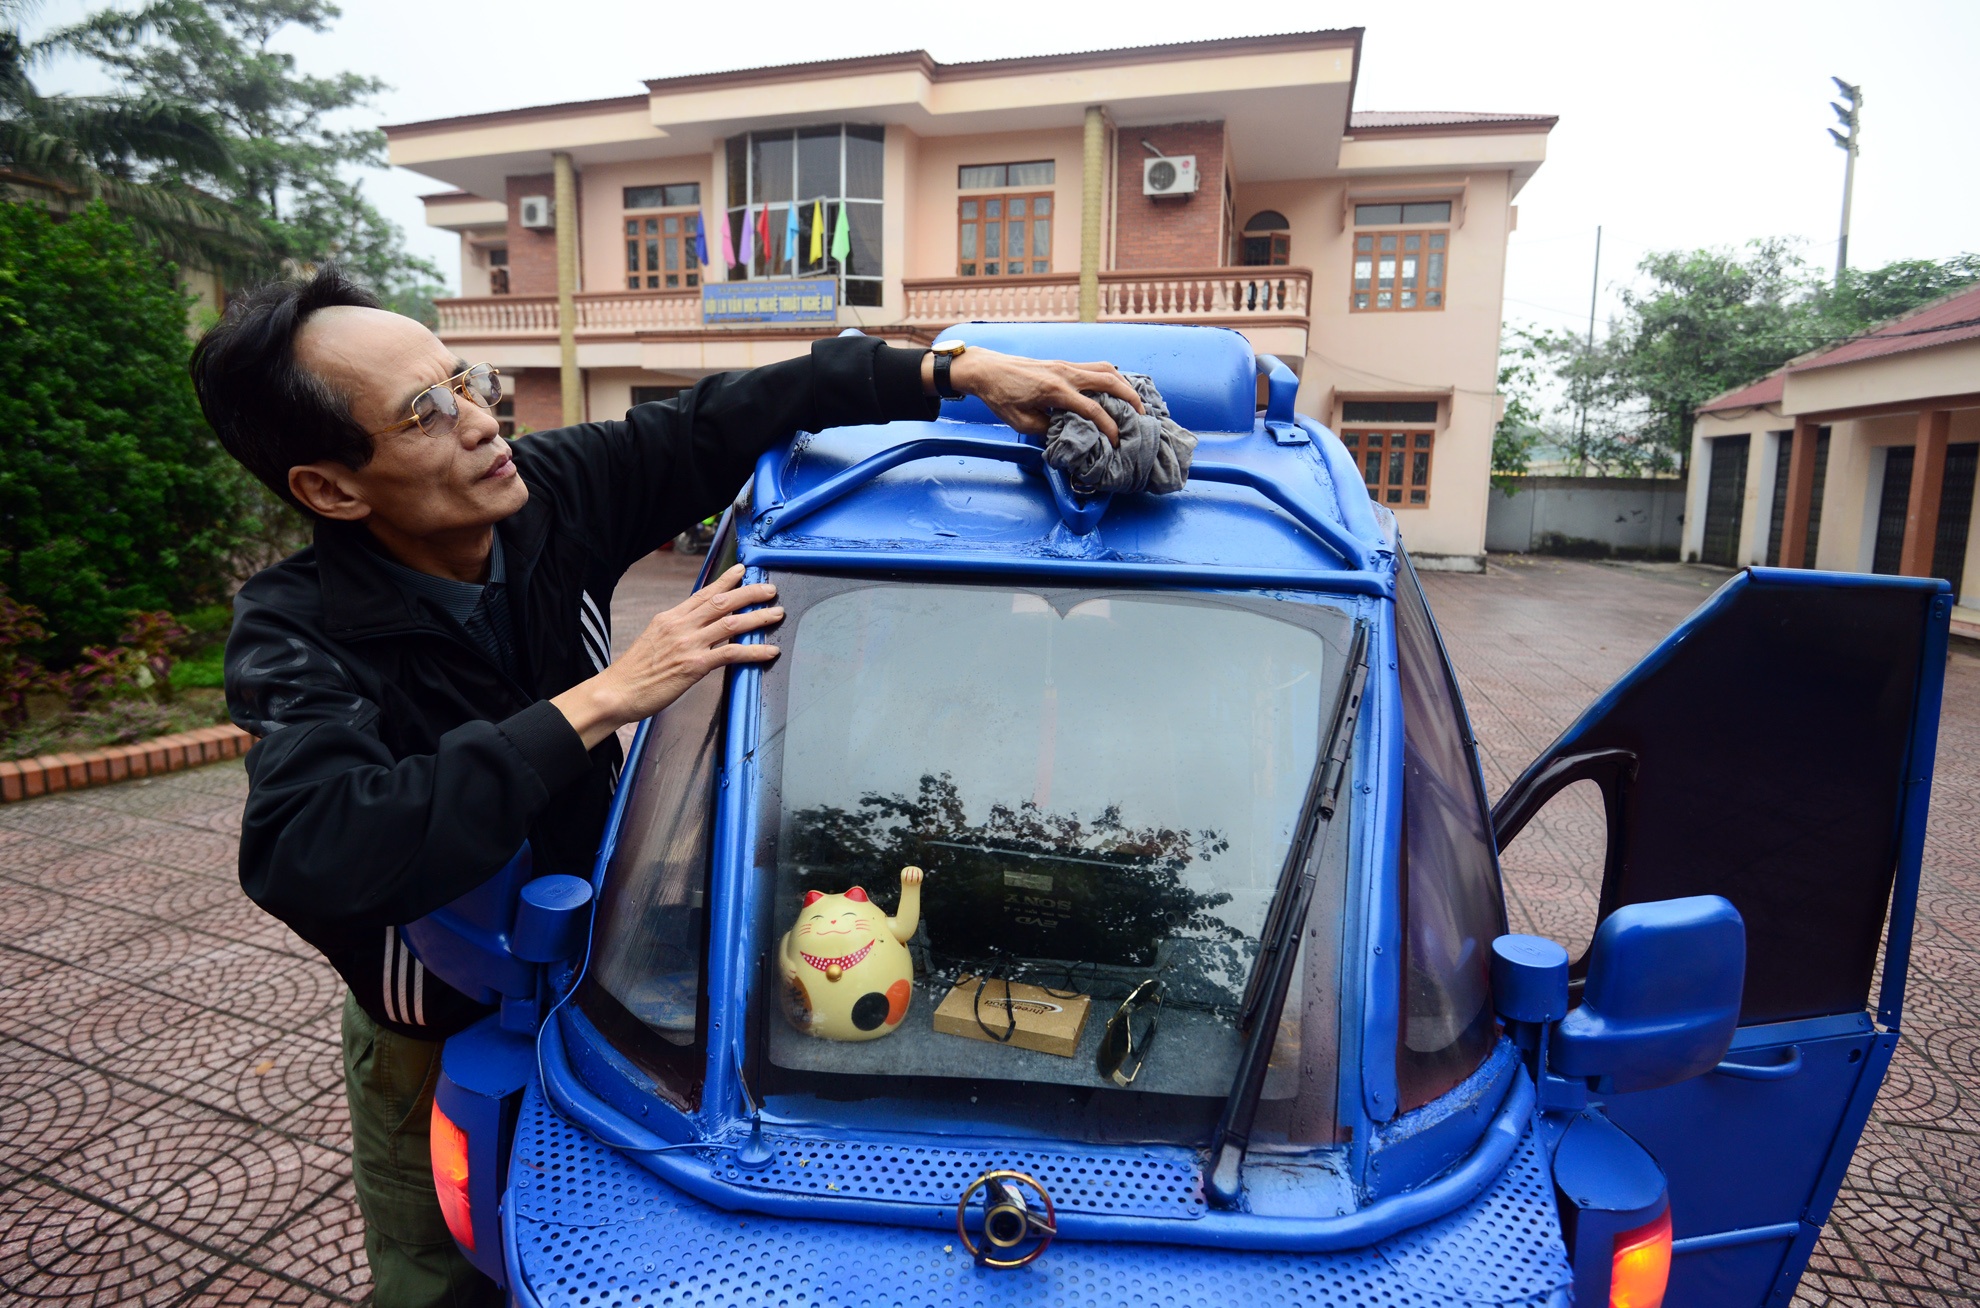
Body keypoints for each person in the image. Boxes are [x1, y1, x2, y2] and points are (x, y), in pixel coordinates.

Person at [188, 265, 1140, 1308]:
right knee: (445, 1275)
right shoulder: (296, 629)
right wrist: (609, 697)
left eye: (465, 377)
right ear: (330, 487)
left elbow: (724, 417)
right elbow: (308, 849)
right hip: (441, 1021)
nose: (479, 419)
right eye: (427, 412)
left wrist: (951, 369)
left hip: (610, 972)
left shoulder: (545, 497)